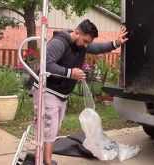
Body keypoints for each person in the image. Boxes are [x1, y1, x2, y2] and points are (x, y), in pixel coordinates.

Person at [32, 19, 128, 165]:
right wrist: (70, 73)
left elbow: (97, 48)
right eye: (85, 40)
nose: (86, 45)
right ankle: (47, 162)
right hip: (47, 91)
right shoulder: (59, 43)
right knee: (49, 129)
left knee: (52, 129)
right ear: (76, 32)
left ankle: (43, 159)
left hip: (61, 94)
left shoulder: (81, 44)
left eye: (88, 42)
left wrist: (115, 43)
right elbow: (45, 65)